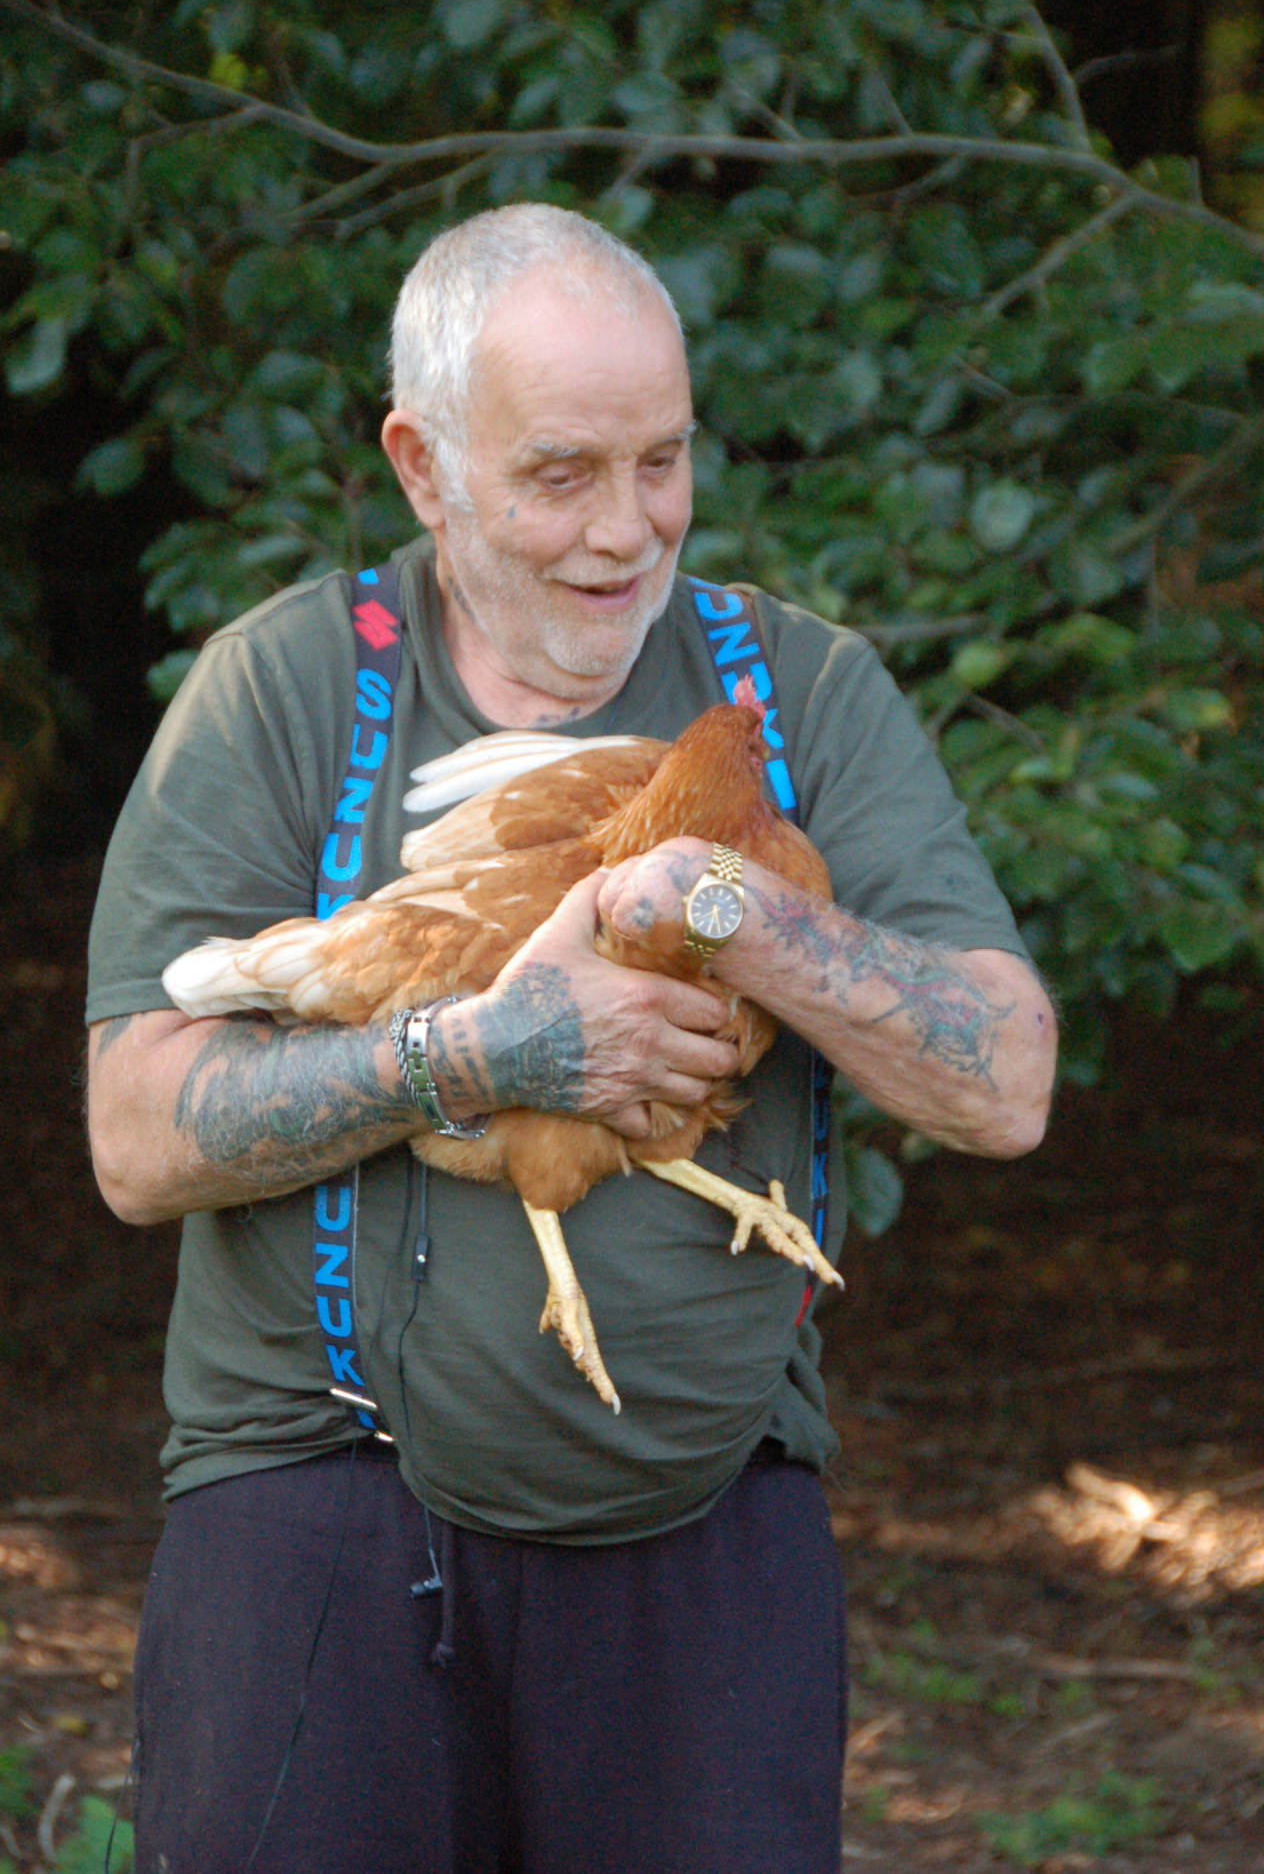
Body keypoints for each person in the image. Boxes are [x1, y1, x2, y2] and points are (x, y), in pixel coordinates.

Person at [86, 203, 1056, 1874]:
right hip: (313, 1495)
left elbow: (1008, 1080)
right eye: (561, 474)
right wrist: (478, 1053)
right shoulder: (291, 690)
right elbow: (134, 1135)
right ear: (420, 462)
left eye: (664, 459)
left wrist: (725, 898)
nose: (628, 529)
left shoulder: (795, 693)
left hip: (706, 1521)